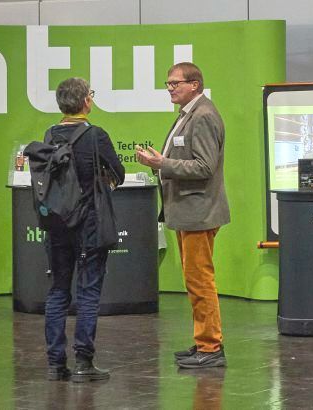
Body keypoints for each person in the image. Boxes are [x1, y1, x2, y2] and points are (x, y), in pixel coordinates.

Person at [135, 62, 230, 369]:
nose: (170, 88)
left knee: (200, 281)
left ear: (194, 84)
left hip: (197, 211)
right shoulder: (190, 113)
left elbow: (204, 167)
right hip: (190, 210)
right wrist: (158, 162)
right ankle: (204, 340)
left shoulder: (202, 115)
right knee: (195, 280)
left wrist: (162, 164)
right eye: (168, 84)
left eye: (175, 83)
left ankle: (210, 347)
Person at [43, 77, 125, 382]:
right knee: (88, 292)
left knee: (58, 292)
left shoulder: (49, 134)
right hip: (90, 222)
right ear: (86, 102)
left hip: (57, 224)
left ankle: (55, 364)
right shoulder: (96, 135)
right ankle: (83, 363)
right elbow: (119, 172)